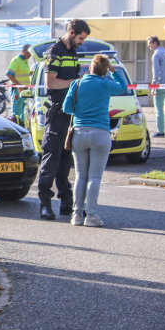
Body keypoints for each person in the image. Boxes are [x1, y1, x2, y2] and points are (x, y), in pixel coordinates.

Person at [62, 54, 127, 227]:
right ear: (104, 71)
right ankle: (91, 216)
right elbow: (122, 87)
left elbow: (67, 108)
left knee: (80, 177)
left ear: (90, 67)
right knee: (94, 178)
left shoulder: (77, 83)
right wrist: (113, 71)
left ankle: (76, 216)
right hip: (100, 134)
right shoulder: (105, 84)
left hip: (79, 134)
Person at [37, 19, 90, 220]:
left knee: (66, 160)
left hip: (71, 113)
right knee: (51, 158)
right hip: (58, 112)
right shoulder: (55, 52)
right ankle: (44, 203)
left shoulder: (72, 51)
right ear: (72, 32)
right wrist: (76, 82)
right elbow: (51, 83)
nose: (82, 42)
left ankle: (66, 202)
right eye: (81, 38)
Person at [6, 44, 32, 122]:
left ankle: (21, 128)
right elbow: (9, 74)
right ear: (23, 50)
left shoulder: (25, 61)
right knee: (16, 113)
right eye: (29, 53)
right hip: (18, 90)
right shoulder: (16, 60)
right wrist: (19, 86)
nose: (30, 55)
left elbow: (22, 73)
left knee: (23, 112)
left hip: (24, 90)